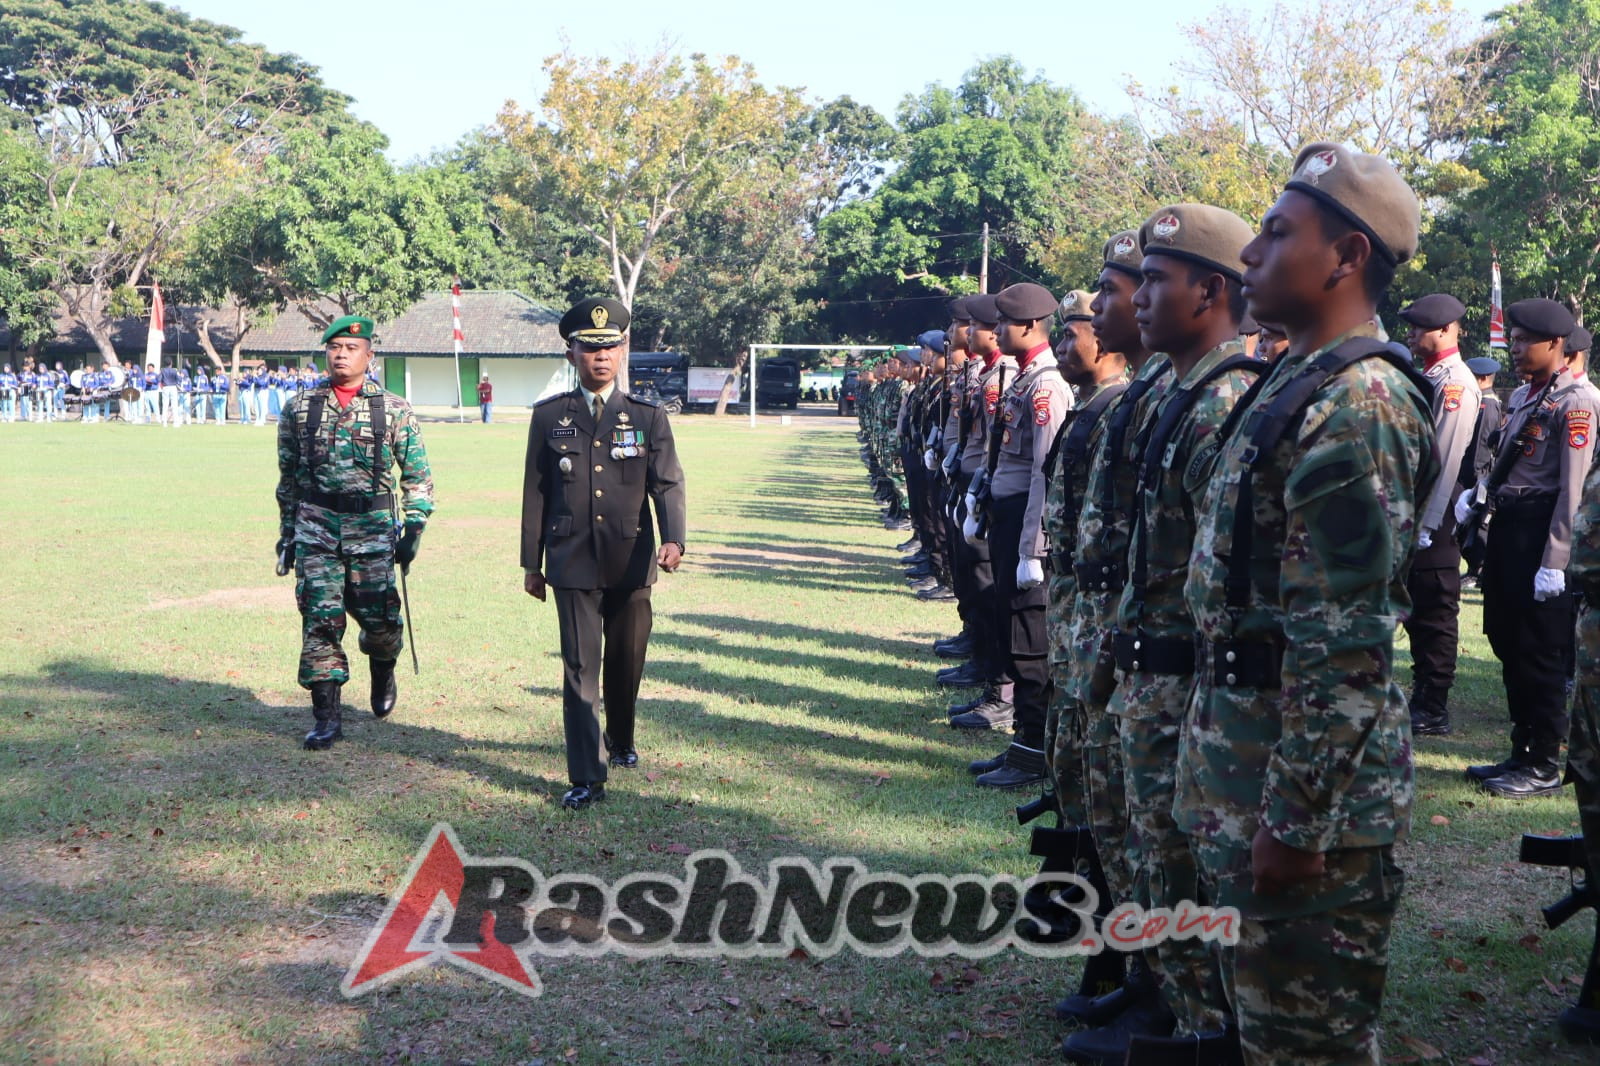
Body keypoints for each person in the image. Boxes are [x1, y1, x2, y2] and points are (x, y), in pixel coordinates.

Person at [1178, 142, 1435, 1065]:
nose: (1250, 253)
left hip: (1303, 806)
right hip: (1240, 774)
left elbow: (1346, 639)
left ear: (1348, 257)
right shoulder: (1293, 380)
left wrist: (1296, 817)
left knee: (1306, 1046)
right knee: (1260, 1032)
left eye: (1279, 234)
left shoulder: (1360, 402)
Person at [1066, 205, 1265, 1064]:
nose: (1140, 298)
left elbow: (1212, 570)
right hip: (1139, 656)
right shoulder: (1171, 390)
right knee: (1141, 850)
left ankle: (1196, 1025)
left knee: (1178, 861)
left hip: (1183, 672)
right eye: (1135, 280)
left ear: (1211, 290)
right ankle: (1163, 1001)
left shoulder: (1224, 398)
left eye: (1157, 279)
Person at [521, 297, 687, 811]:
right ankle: (586, 774)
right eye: (589, 348)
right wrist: (532, 562)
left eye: (610, 347)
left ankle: (621, 736)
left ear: (623, 351)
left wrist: (674, 538)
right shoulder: (550, 418)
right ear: (571, 354)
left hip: (632, 559)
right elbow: (536, 490)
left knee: (625, 661)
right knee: (579, 667)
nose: (600, 356)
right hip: (571, 559)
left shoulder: (647, 417)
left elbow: (668, 483)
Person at [1458, 299, 1600, 797]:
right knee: (1505, 635)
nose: (1514, 348)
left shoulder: (1577, 401)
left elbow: (1573, 488)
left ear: (1557, 345)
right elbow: (1506, 460)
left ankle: (1542, 760)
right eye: (1513, 339)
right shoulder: (1524, 395)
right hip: (1511, 528)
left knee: (1539, 649)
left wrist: (1556, 560)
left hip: (1544, 532)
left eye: (1524, 341)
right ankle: (1521, 749)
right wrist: (1475, 498)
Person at [276, 315, 434, 751]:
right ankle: (327, 716)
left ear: (369, 355)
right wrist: (287, 534)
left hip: (373, 531)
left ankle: (383, 667)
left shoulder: (394, 409)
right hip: (317, 529)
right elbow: (288, 480)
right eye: (334, 348)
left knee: (380, 621)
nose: (341, 355)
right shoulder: (299, 408)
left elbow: (417, 476)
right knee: (321, 620)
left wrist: (415, 526)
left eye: (351, 348)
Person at [1398, 293, 1480, 737]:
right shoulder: (1429, 376)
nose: (1411, 333)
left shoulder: (1454, 383)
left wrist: (1426, 524)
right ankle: (1422, 695)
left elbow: (1445, 460)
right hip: (1421, 507)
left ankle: (1433, 705)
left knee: (1434, 609)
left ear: (1447, 331)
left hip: (1438, 510)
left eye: (1419, 326)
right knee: (1418, 609)